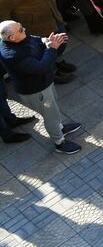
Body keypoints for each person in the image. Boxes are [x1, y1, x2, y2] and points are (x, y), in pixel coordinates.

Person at [0, 21, 80, 154]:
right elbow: (40, 67)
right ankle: (59, 142)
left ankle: (59, 128)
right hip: (36, 91)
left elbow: (34, 39)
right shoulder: (13, 55)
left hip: (44, 84)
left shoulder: (19, 38)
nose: (24, 29)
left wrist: (46, 40)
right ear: (12, 38)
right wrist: (52, 48)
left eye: (21, 26)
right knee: (50, 116)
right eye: (21, 29)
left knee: (53, 110)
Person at [0, 0, 75, 79]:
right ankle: (54, 74)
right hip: (37, 27)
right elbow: (5, 19)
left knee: (61, 41)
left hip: (52, 14)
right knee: (47, 49)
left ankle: (59, 62)